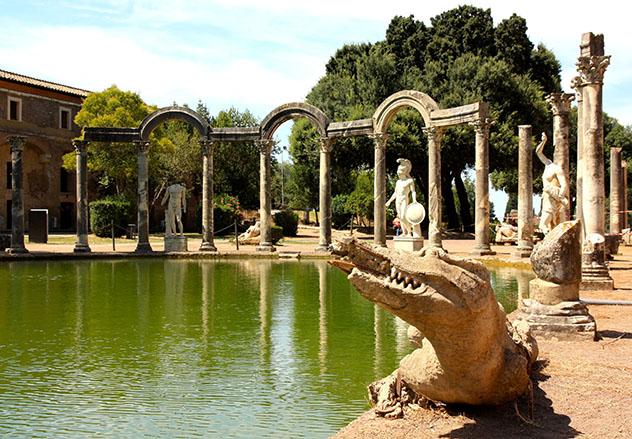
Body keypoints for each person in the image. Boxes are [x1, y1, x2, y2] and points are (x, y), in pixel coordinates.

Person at [535, 133, 569, 234]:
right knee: (545, 224)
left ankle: (551, 242)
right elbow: (538, 152)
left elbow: (564, 185)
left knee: (546, 224)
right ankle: (550, 242)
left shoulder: (558, 169)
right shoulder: (548, 165)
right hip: (546, 196)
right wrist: (543, 141)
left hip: (554, 198)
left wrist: (560, 196)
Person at [386, 158, 421, 238]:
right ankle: (404, 233)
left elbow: (413, 191)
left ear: (404, 172)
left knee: (403, 216)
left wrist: (414, 200)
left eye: (400, 172)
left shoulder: (410, 181)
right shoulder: (398, 182)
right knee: (400, 217)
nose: (398, 174)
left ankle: (409, 232)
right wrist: (389, 201)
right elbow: (395, 193)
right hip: (398, 200)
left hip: (405, 199)